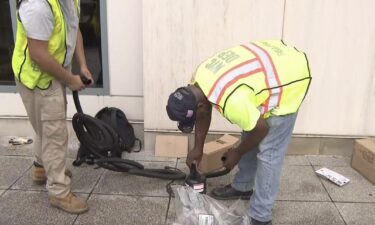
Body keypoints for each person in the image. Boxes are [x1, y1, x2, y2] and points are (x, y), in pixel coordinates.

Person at [166, 40, 311, 225]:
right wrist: (198, 148)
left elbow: (261, 129)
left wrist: (237, 152)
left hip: (290, 77)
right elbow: (205, 112)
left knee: (269, 152)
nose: (194, 121)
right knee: (249, 130)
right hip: (269, 65)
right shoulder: (198, 79)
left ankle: (261, 215)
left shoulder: (232, 101)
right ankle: (243, 186)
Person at [12, 0, 93, 214]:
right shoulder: (38, 6)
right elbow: (38, 55)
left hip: (54, 72)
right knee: (55, 133)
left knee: (48, 127)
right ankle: (59, 192)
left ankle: (40, 168)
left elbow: (74, 30)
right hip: (37, 79)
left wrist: (82, 65)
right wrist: (70, 79)